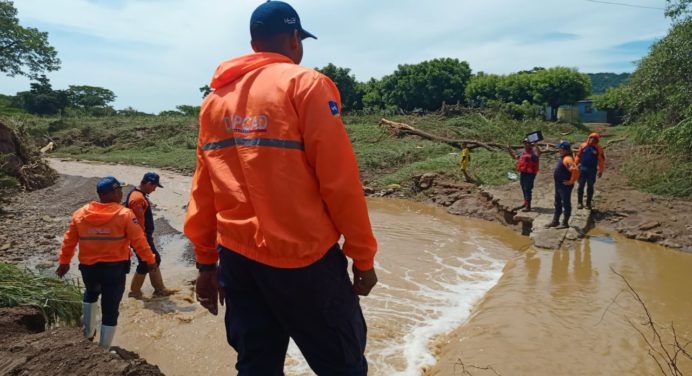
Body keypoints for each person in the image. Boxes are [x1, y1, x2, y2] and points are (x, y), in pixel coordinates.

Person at [183, 1, 378, 375]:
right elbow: (340, 184)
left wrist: (207, 263)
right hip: (303, 258)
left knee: (256, 365)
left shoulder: (213, 103)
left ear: (254, 42)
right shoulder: (305, 84)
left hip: (238, 259)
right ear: (294, 39)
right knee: (343, 365)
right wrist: (363, 257)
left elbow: (203, 190)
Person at [56, 176, 157, 350]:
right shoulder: (124, 214)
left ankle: (88, 334)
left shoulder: (81, 213)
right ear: (114, 193)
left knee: (91, 293)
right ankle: (103, 349)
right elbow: (139, 241)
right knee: (110, 308)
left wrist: (64, 262)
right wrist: (150, 260)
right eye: (119, 190)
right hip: (114, 269)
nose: (121, 193)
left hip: (89, 269)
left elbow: (69, 241)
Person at [124, 172, 176, 298]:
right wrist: (143, 242)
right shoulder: (137, 199)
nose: (154, 190)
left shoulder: (138, 195)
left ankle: (158, 289)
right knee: (147, 262)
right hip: (140, 238)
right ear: (148, 184)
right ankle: (135, 292)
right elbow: (137, 225)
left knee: (154, 260)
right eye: (154, 186)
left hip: (141, 237)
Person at [546, 141, 579, 229]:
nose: (559, 150)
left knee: (566, 203)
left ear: (564, 150)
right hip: (559, 185)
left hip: (565, 186)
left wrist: (571, 181)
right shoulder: (564, 157)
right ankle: (555, 221)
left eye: (560, 148)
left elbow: (575, 170)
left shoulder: (567, 159)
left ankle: (565, 223)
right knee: (557, 203)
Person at [508, 138, 541, 212]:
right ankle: (525, 203)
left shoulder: (533, 152)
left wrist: (536, 146)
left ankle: (528, 206)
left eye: (527, 143)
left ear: (530, 144)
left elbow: (539, 154)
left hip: (530, 174)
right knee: (523, 187)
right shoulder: (523, 152)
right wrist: (509, 150)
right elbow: (514, 157)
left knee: (527, 189)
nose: (526, 144)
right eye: (525, 143)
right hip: (523, 173)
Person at [574, 132, 605, 210]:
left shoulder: (599, 149)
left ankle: (588, 203)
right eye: (591, 138)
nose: (592, 140)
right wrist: (574, 166)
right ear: (588, 138)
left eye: (594, 138)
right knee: (580, 186)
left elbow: (601, 161)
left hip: (592, 171)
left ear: (597, 140)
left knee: (590, 187)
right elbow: (578, 156)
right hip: (582, 170)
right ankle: (579, 202)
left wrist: (601, 171)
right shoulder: (583, 146)